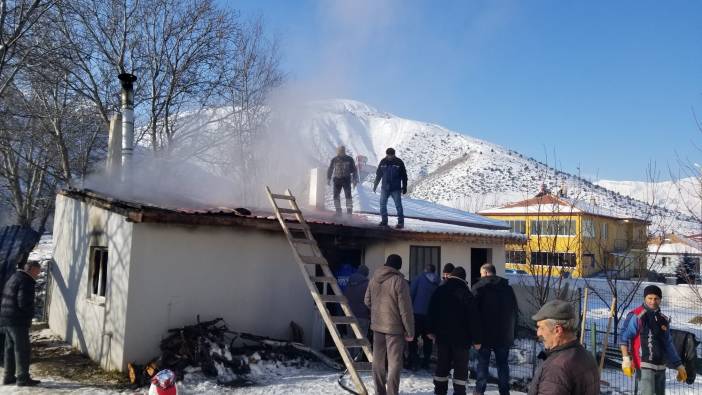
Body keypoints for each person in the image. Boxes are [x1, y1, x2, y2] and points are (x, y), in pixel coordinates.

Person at [619, 285, 687, 395]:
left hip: (661, 366)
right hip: (644, 364)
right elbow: (624, 337)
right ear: (644, 298)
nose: (653, 301)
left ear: (660, 299)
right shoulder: (637, 315)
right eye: (650, 298)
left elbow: (668, 344)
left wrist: (679, 365)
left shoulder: (663, 319)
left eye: (656, 298)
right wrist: (626, 359)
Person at [427, 267, 482, 395]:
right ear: (464, 279)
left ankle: (439, 391)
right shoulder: (466, 293)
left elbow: (431, 311)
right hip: (462, 339)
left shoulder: (440, 291)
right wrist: (477, 339)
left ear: (451, 276)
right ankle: (459, 392)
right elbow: (474, 318)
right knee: (460, 368)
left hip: (442, 337)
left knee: (442, 365)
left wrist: (430, 330)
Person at [364, 254, 414, 395]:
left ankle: (379, 392)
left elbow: (366, 301)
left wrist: (376, 312)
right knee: (394, 363)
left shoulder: (374, 279)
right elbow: (406, 309)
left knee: (378, 362)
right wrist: (410, 331)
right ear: (398, 266)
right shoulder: (399, 281)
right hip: (394, 329)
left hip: (377, 326)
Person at [529, 299, 599, 395]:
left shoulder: (557, 369)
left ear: (557, 330)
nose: (538, 333)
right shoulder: (586, 355)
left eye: (541, 327)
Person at [472, 263, 518, 395]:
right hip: (504, 334)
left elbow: (472, 312)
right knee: (503, 365)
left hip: (484, 334)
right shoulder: (507, 288)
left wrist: (474, 335)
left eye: (481, 274)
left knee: (482, 364)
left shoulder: (479, 287)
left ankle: (479, 391)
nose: (481, 277)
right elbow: (515, 311)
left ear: (486, 273)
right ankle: (504, 392)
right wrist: (513, 332)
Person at [0, 261, 41, 386]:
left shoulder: (14, 277)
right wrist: (30, 314)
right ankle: (23, 378)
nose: (38, 274)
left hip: (6, 318)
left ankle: (8, 376)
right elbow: (23, 302)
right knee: (21, 349)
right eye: (37, 271)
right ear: (31, 269)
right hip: (17, 321)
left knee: (10, 349)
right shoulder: (26, 281)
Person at [409, 264, 439, 370]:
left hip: (417, 313)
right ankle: (426, 361)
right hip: (430, 315)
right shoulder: (437, 281)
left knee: (413, 338)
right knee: (428, 339)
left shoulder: (418, 279)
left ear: (425, 270)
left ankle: (413, 360)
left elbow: (411, 294)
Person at [373, 148, 408, 229]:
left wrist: (405, 186)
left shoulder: (399, 162)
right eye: (388, 155)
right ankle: (384, 221)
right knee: (382, 204)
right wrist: (375, 184)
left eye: (391, 155)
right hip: (385, 188)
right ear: (386, 154)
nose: (389, 156)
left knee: (398, 205)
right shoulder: (383, 162)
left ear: (394, 154)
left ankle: (400, 223)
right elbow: (378, 174)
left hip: (396, 188)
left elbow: (404, 175)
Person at [327, 145, 359, 215]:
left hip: (346, 180)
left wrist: (354, 180)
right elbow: (330, 169)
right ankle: (338, 212)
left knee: (348, 196)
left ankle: (349, 213)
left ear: (344, 151)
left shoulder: (349, 159)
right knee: (336, 196)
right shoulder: (334, 159)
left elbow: (354, 170)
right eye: (339, 151)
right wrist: (328, 178)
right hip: (337, 180)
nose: (341, 152)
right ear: (337, 151)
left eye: (342, 151)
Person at [343, 265, 371, 337]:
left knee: (350, 340)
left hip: (350, 315)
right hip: (363, 316)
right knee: (361, 342)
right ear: (366, 274)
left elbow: (345, 297)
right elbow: (370, 301)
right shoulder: (367, 284)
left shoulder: (349, 283)